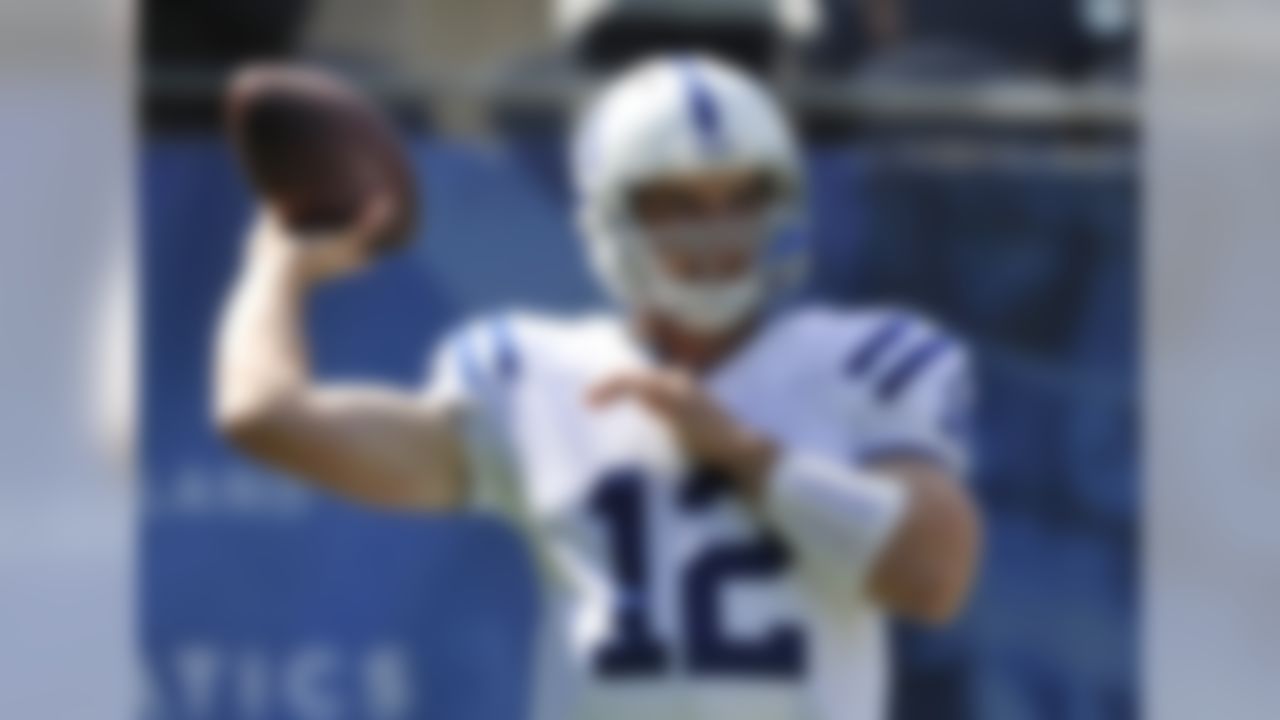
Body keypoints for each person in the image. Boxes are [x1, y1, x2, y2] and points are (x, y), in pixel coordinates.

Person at [215, 53, 982, 720]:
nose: (717, 233)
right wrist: (274, 268)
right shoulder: (533, 374)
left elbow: (932, 577)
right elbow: (263, 415)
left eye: (742, 199)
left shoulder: (864, 361)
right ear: (611, 218)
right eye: (679, 203)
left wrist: (746, 455)